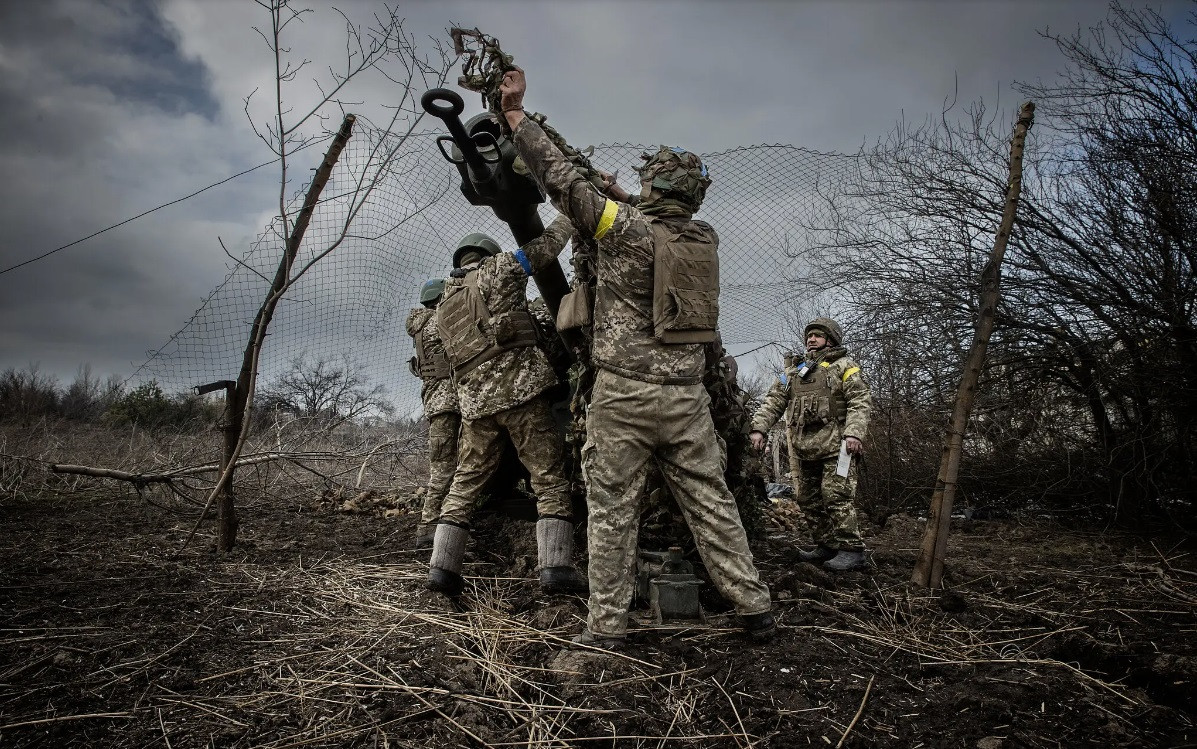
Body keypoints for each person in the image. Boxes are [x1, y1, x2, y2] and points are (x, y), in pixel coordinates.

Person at [499, 67, 775, 649]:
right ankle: (753, 607)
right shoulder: (704, 238)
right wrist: (628, 197)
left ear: (652, 189)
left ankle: (606, 628)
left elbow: (560, 183)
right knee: (711, 503)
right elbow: (651, 220)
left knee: (612, 512)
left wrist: (517, 116)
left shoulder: (621, 230)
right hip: (687, 398)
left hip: (623, 397)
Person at [427, 220, 587, 597]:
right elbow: (545, 249)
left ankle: (441, 570)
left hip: (475, 408)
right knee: (548, 479)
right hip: (521, 395)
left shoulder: (445, 303)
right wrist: (568, 212)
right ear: (487, 253)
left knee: (464, 485)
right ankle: (556, 568)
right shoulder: (498, 268)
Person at [749, 318, 872, 571]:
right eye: (809, 336)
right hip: (806, 449)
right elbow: (773, 402)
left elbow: (860, 400)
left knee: (835, 496)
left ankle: (852, 550)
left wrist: (854, 434)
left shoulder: (844, 367)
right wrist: (758, 428)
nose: (811, 340)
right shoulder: (794, 373)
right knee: (808, 499)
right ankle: (827, 546)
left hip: (838, 448)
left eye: (817, 335)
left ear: (831, 339)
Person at [406, 278, 460, 550]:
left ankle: (433, 526)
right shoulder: (437, 322)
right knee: (444, 469)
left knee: (445, 466)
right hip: (448, 402)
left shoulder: (420, 325)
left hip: (436, 403)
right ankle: (429, 528)